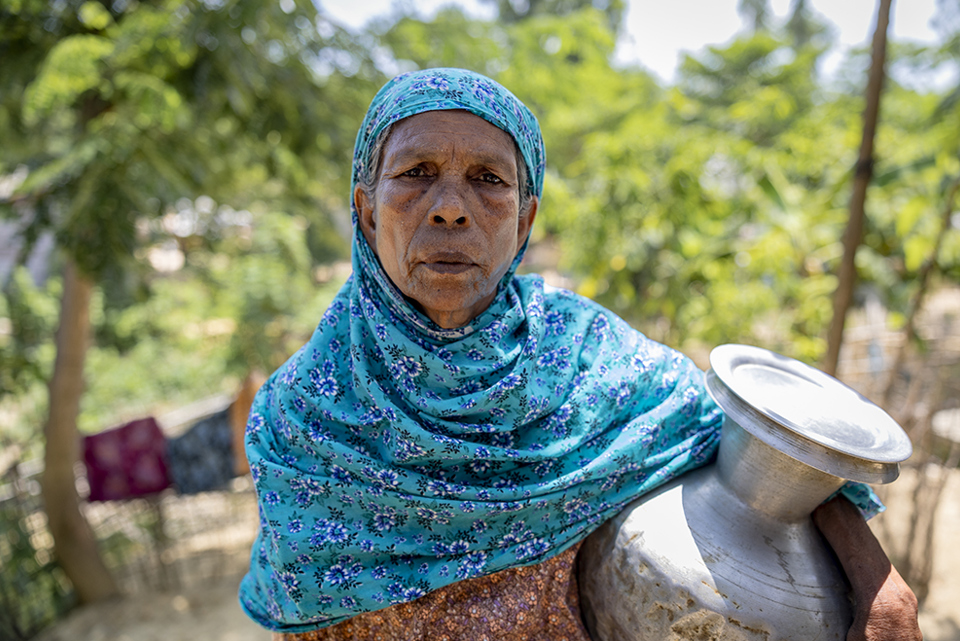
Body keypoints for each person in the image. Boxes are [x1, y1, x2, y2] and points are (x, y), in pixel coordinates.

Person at [239, 68, 921, 641]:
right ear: (364, 209)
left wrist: (878, 584)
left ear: (526, 220)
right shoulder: (299, 417)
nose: (450, 207)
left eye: (488, 179)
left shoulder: (587, 357)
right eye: (416, 173)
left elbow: (756, 444)